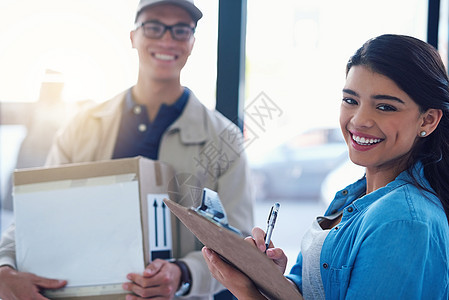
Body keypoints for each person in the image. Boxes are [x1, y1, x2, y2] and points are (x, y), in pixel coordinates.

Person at [0, 0, 254, 299]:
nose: (167, 39)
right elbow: (38, 215)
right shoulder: (81, 127)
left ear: (192, 42)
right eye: (154, 27)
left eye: (181, 30)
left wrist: (183, 275)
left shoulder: (224, 138)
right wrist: (4, 269)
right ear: (133, 36)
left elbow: (238, 244)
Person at [202, 34, 449, 299]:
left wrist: (246, 291)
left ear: (428, 120)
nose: (360, 120)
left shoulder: (402, 221)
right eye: (351, 100)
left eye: (385, 106)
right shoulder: (355, 195)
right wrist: (270, 279)